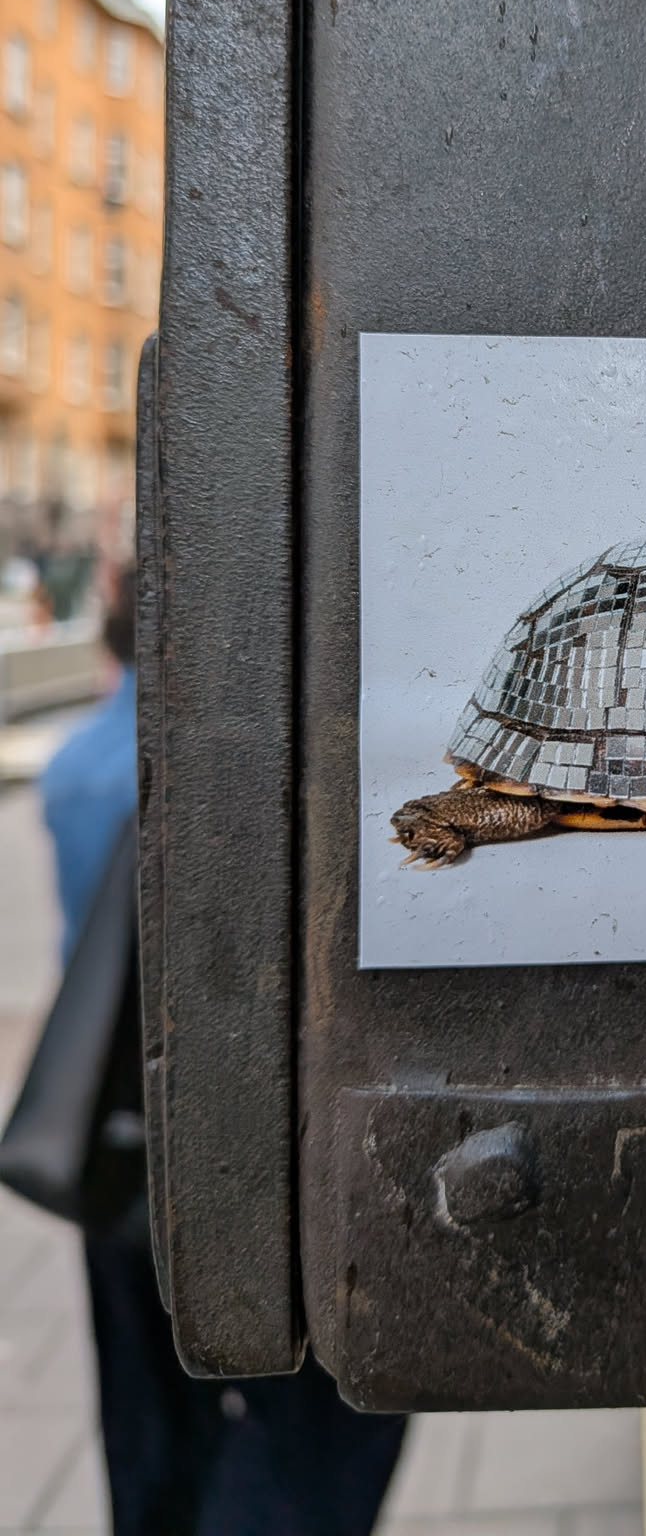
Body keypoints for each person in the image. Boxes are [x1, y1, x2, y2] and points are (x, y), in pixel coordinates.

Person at [40, 566, 408, 1536]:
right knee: (312, 1428)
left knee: (148, 1421)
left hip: (126, 1144)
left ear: (113, 648)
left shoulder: (74, 769)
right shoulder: (269, 766)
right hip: (266, 1150)